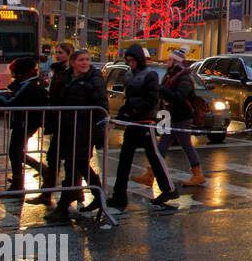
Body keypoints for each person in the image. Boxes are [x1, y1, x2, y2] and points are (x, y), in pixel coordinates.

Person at [110, 44, 178, 209]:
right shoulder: (130, 75)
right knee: (125, 160)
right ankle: (119, 195)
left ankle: (169, 189)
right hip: (134, 122)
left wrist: (132, 106)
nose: (131, 63)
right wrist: (125, 110)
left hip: (146, 122)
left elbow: (151, 99)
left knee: (154, 157)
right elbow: (129, 96)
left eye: (133, 60)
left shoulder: (149, 75)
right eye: (129, 61)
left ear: (139, 59)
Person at [47, 49, 107, 222]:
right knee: (75, 165)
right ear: (73, 62)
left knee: (77, 164)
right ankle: (96, 196)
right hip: (65, 128)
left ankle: (64, 205)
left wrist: (99, 130)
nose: (85, 63)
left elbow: (101, 105)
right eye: (81, 59)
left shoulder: (94, 79)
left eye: (87, 59)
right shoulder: (66, 77)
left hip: (82, 129)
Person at [140, 51, 205, 187]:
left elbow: (179, 97)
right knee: (162, 145)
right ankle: (150, 174)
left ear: (176, 62)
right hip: (171, 115)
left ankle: (198, 174)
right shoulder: (170, 75)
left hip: (182, 116)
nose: (167, 61)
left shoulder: (184, 77)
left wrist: (162, 89)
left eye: (170, 59)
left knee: (185, 144)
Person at [0, 56, 49, 198]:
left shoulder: (28, 86)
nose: (12, 75)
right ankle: (37, 173)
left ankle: (19, 184)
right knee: (16, 151)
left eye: (14, 72)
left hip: (25, 121)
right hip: (26, 121)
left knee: (15, 151)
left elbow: (12, 103)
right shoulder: (27, 84)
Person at [41, 41, 76, 197]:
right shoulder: (57, 70)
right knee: (54, 157)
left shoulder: (69, 72)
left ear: (69, 54)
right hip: (58, 119)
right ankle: (47, 193)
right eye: (56, 52)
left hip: (67, 120)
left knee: (70, 159)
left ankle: (71, 192)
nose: (57, 54)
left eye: (61, 52)